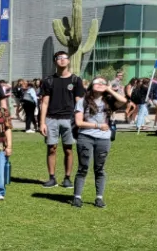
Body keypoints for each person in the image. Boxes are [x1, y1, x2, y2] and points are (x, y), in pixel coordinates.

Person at [72, 76, 126, 209]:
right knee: (83, 168)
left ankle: (99, 198)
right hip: (86, 137)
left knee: (99, 168)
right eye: (97, 82)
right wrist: (97, 126)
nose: (100, 84)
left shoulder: (109, 101)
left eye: (103, 83)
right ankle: (77, 197)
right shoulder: (83, 101)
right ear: (91, 85)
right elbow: (79, 122)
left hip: (103, 139)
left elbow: (123, 100)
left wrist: (109, 89)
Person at [39, 52, 85, 188]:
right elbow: (45, 103)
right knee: (51, 148)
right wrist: (42, 122)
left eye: (64, 58)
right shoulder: (48, 80)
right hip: (51, 119)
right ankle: (52, 178)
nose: (62, 60)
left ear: (69, 61)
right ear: (55, 62)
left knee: (68, 149)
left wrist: (80, 120)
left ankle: (67, 178)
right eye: (59, 58)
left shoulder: (76, 80)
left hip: (69, 119)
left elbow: (80, 102)